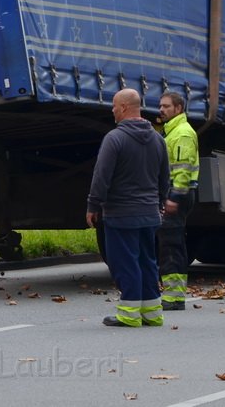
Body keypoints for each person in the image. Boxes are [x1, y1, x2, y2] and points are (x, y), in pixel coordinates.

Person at [86, 89, 170, 327]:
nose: (112, 110)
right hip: (149, 213)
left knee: (125, 262)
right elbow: (165, 178)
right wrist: (160, 203)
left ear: (123, 107)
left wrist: (93, 205)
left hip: (121, 213)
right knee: (147, 261)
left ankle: (129, 313)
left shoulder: (115, 139)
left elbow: (102, 176)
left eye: (114, 106)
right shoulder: (158, 140)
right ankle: (153, 312)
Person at [157, 91, 199, 310]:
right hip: (177, 194)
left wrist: (173, 197)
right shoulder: (173, 131)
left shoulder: (182, 133)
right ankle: (174, 295)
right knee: (170, 244)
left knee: (171, 245)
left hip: (178, 195)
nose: (161, 110)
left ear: (179, 108)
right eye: (160, 106)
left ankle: (173, 298)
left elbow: (182, 170)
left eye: (166, 106)